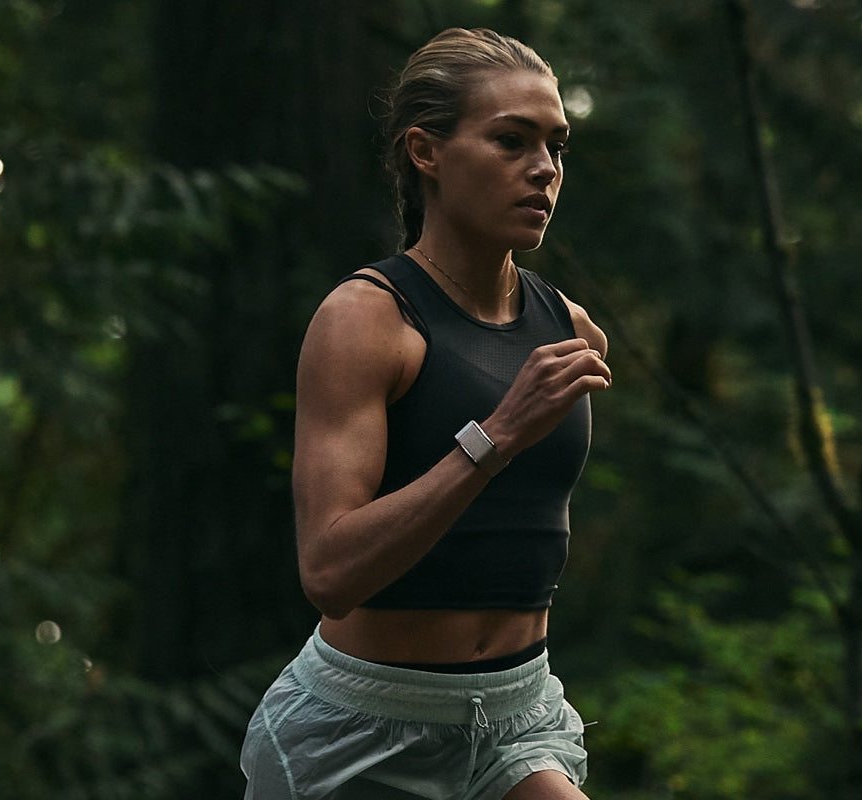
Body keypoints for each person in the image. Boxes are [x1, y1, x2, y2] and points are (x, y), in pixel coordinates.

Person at [240, 28, 611, 800]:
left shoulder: (573, 331)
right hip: (362, 731)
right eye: (511, 141)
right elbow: (330, 571)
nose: (543, 170)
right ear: (425, 152)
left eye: (556, 147)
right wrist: (497, 436)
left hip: (519, 719)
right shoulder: (366, 321)